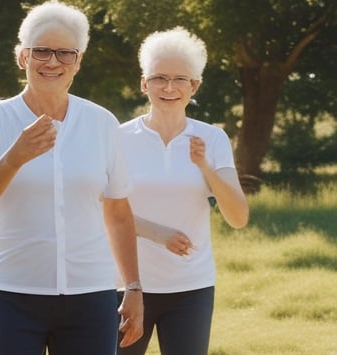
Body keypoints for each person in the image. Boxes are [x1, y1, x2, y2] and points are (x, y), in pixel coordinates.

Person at [0, 2, 144, 354]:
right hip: (11, 290)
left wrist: (133, 287)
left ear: (78, 61)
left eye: (65, 53)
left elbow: (118, 212)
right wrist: (14, 157)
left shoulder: (102, 123)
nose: (53, 62)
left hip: (91, 292)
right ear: (23, 57)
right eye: (41, 51)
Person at [117, 27, 249, 355]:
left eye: (180, 79)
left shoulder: (212, 139)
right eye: (159, 78)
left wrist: (205, 167)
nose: (169, 87)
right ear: (144, 83)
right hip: (125, 285)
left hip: (192, 287)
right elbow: (101, 211)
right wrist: (157, 233)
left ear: (195, 86)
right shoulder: (117, 139)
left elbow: (238, 217)